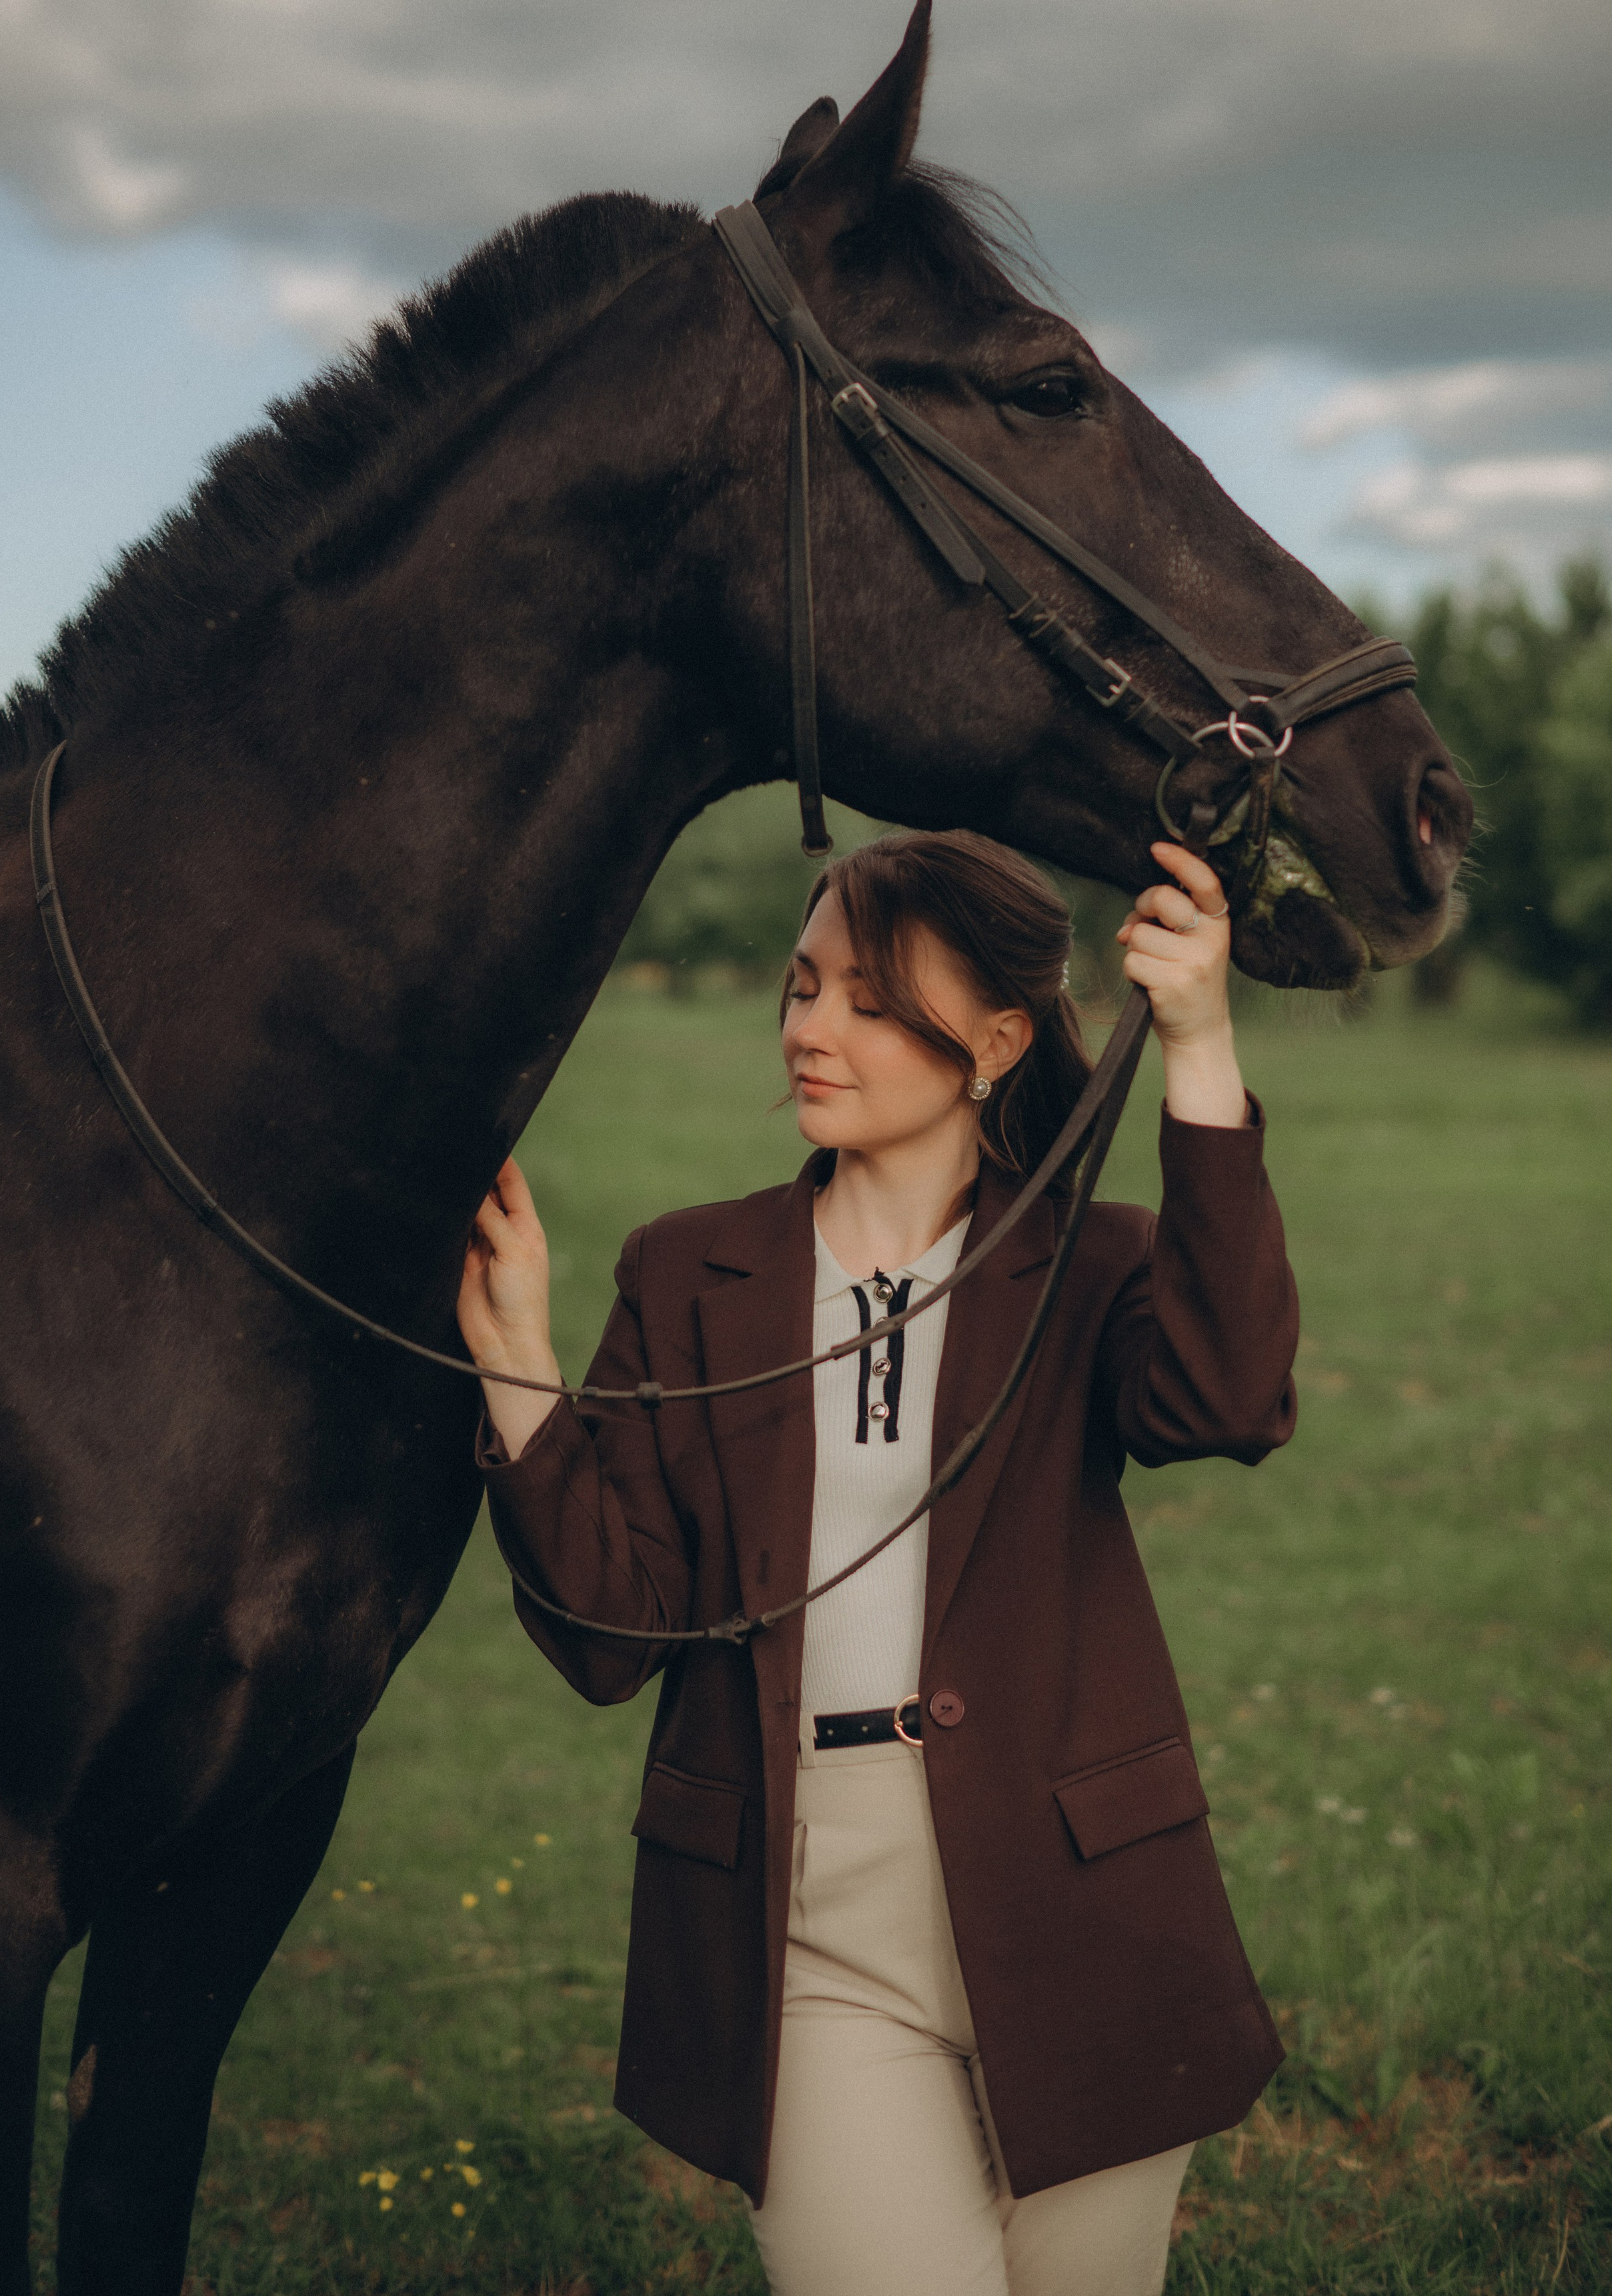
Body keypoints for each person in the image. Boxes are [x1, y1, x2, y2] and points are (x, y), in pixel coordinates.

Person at [458, 829, 1297, 2296]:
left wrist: (1201, 1046)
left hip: (1077, 1888)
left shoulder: (1085, 1266)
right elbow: (610, 1631)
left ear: (993, 1039)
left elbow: (1226, 1399)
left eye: (863, 996)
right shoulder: (685, 1272)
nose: (807, 1029)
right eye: (798, 989)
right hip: (804, 1912)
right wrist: (523, 1372)